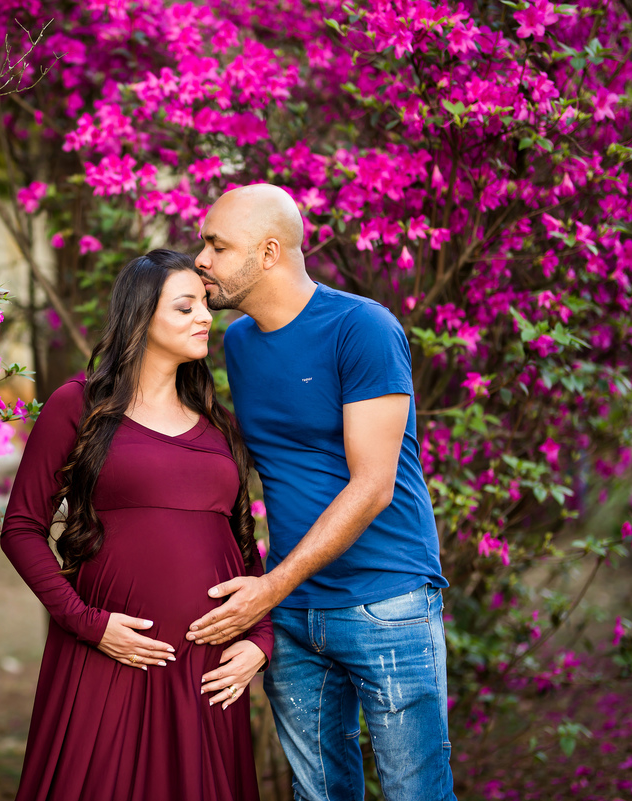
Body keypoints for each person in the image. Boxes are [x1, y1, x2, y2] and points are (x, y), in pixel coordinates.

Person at [189, 184, 455, 801]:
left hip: (385, 601)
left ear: (270, 252)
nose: (201, 259)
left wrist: (269, 591)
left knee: (417, 793)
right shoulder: (239, 343)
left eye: (216, 245)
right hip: (295, 615)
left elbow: (373, 486)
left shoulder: (362, 328)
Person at [0, 249, 273, 801]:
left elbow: (242, 548)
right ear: (141, 319)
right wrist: (89, 624)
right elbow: (21, 528)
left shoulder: (217, 424)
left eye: (204, 304)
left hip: (205, 672)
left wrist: (261, 641)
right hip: (108, 656)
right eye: (185, 306)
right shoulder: (79, 405)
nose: (204, 317)